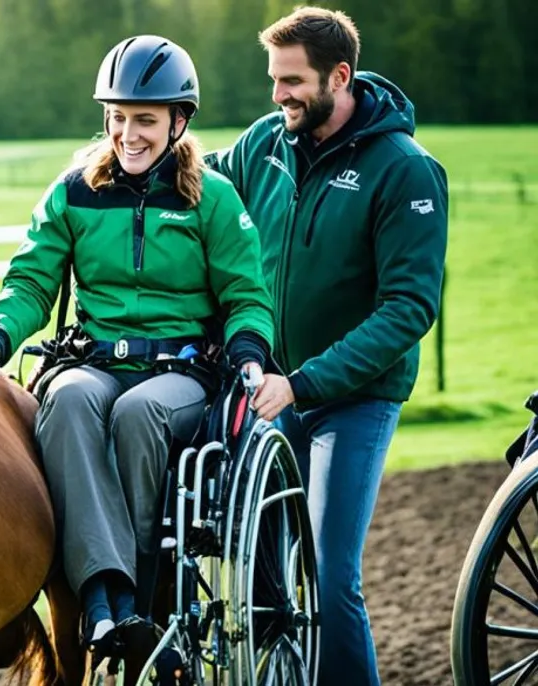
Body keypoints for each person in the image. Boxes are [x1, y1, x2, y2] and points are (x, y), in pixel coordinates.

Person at [0, 35, 274, 656]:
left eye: (145, 120)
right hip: (93, 359)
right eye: (117, 119)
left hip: (182, 374)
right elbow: (31, 279)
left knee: (140, 413)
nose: (128, 134)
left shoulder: (211, 197)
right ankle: (106, 598)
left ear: (178, 121)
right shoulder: (72, 193)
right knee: (71, 401)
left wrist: (247, 349)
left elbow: (247, 294)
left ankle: (132, 593)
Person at [205, 7, 448, 684]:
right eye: (273, 79)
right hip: (271, 389)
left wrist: (305, 382)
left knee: (328, 575)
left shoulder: (405, 170)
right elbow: (198, 183)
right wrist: (118, 155)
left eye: (292, 81)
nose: (277, 94)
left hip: (354, 398)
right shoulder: (265, 144)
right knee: (257, 569)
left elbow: (409, 308)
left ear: (339, 77)